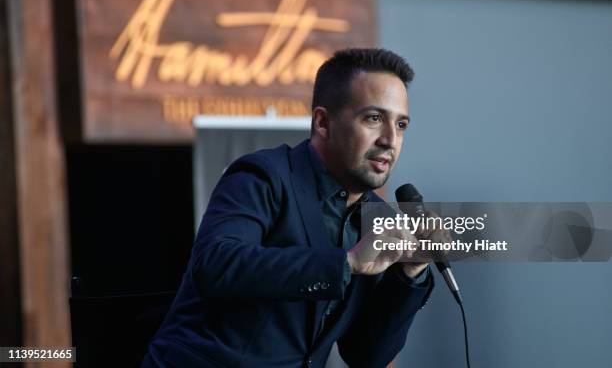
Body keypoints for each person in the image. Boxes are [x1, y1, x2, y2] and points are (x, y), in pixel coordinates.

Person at [142, 48, 437, 368]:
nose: (390, 139)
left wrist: (411, 272)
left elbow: (365, 355)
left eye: (402, 124)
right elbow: (217, 263)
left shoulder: (376, 218)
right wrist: (347, 262)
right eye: (374, 118)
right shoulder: (263, 176)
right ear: (323, 122)